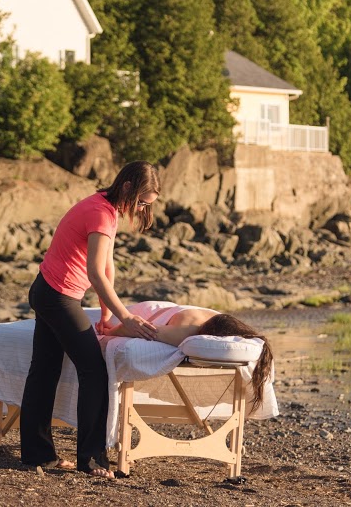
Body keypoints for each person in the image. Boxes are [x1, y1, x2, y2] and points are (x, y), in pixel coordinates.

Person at [20, 161, 161, 479]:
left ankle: (36, 454)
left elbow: (107, 268)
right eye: (140, 201)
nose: (140, 208)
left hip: (47, 291)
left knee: (44, 372)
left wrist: (108, 316)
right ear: (127, 187)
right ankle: (92, 459)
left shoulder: (103, 206)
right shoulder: (100, 213)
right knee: (94, 370)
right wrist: (127, 316)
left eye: (146, 205)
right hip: (56, 297)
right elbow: (96, 273)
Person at [104, 304, 275, 412]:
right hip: (147, 311)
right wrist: (106, 333)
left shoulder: (224, 322)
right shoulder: (184, 333)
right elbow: (134, 328)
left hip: (175, 307)